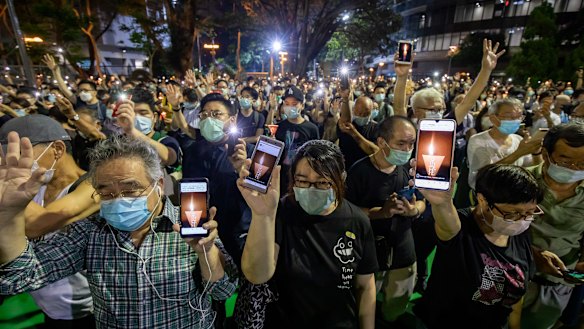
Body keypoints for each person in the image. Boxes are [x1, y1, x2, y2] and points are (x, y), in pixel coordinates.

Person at [0, 134, 237, 328]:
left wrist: (206, 253)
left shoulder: (191, 229)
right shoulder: (89, 233)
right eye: (106, 193)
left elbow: (223, 291)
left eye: (130, 190)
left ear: (159, 185)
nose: (118, 200)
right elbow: (20, 278)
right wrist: (9, 216)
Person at [238, 139, 378, 328]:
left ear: (341, 179)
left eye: (322, 183)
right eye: (302, 181)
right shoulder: (281, 211)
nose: (311, 190)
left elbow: (365, 285)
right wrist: (262, 214)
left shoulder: (357, 221)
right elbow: (257, 275)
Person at [414, 164, 543, 329]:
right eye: (512, 213)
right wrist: (442, 204)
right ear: (483, 200)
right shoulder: (462, 228)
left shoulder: (519, 231)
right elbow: (448, 225)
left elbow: (514, 293)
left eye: (530, 212)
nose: (522, 219)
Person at [0, 115, 96, 327]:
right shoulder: (35, 186)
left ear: (58, 149)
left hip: (86, 311)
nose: (11, 165)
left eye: (21, 155)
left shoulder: (93, 186)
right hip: (48, 305)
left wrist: (9, 204)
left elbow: (37, 224)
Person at [345, 116, 426, 323]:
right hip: (369, 251)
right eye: (401, 143)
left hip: (403, 249)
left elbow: (423, 202)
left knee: (396, 307)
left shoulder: (413, 169)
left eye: (411, 143)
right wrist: (381, 213)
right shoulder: (359, 171)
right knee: (364, 305)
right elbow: (347, 211)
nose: (407, 149)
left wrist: (413, 211)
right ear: (382, 142)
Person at [521, 123, 584, 329]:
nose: (575, 168)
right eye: (565, 161)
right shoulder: (520, 180)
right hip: (511, 275)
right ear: (547, 154)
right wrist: (531, 255)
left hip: (558, 286)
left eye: (582, 163)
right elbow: (487, 227)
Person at [467, 99, 542, 189]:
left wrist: (536, 151)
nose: (515, 120)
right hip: (489, 193)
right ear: (493, 118)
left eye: (519, 117)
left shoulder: (518, 139)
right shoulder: (478, 140)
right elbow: (484, 175)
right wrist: (518, 153)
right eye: (509, 116)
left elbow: (533, 167)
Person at [275, 86, 319, 189]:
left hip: (302, 179)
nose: (290, 107)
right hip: (281, 178)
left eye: (294, 104)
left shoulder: (311, 128)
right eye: (286, 104)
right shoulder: (280, 127)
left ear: (302, 106)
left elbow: (314, 156)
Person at [337, 89, 379, 170]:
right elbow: (345, 119)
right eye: (358, 113)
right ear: (353, 110)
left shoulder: (376, 128)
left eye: (365, 114)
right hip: (347, 169)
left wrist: (354, 133)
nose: (361, 116)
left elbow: (375, 151)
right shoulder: (347, 125)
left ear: (371, 112)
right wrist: (345, 99)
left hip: (367, 171)